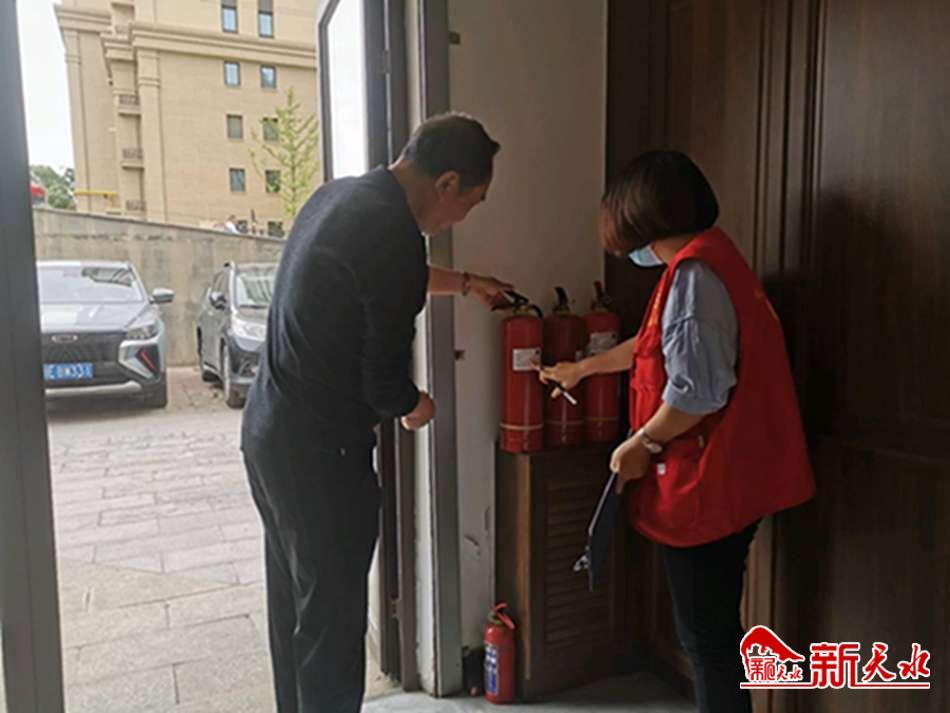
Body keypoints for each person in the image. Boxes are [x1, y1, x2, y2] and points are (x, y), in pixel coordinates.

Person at [241, 113, 508, 713]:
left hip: (270, 435)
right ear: (445, 183)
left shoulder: (343, 198)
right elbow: (385, 384)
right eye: (470, 202)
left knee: (298, 612)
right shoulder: (393, 236)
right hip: (322, 456)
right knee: (333, 630)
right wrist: (419, 406)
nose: (463, 217)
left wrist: (467, 283)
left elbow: (384, 278)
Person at [540, 151, 815, 713]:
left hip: (712, 482)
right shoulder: (708, 260)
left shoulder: (694, 279)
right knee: (712, 632)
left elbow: (698, 392)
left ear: (641, 218)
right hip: (732, 474)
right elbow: (652, 349)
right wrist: (583, 369)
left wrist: (640, 444)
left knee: (708, 642)